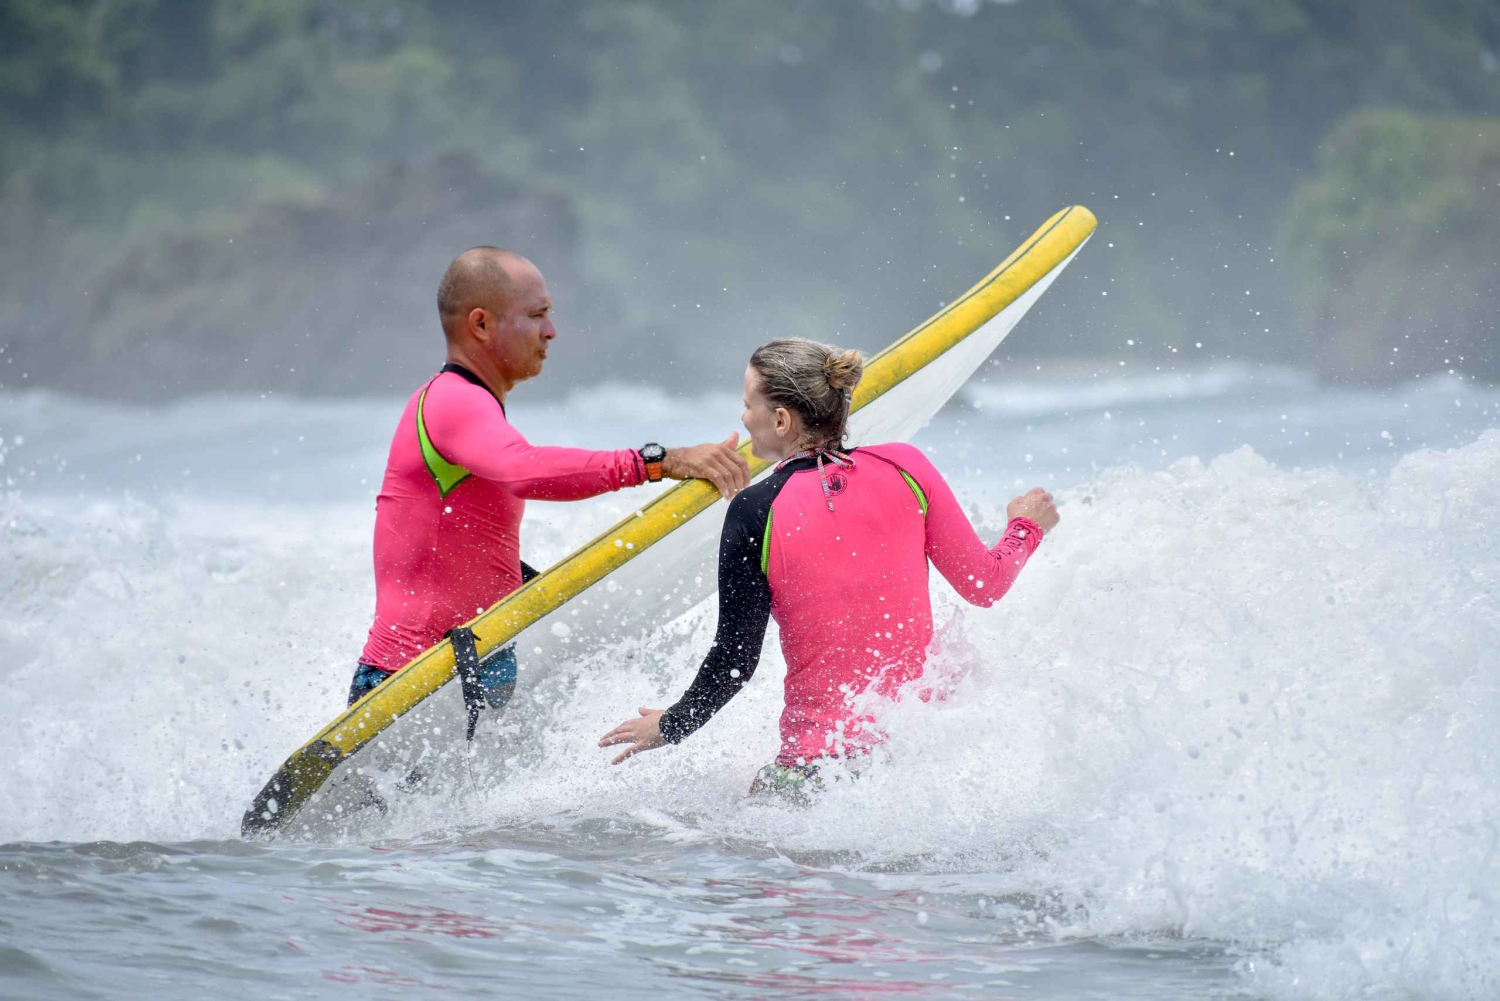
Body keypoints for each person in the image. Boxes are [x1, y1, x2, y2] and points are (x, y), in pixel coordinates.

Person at [598, 338, 1059, 798]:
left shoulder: (756, 509)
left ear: (781, 420)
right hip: (919, 760)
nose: (742, 417)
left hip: (816, 773)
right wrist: (1025, 527)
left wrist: (673, 723)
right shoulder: (907, 466)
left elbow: (736, 660)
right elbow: (985, 583)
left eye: (747, 404)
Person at [348, 247, 750, 706]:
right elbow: (523, 470)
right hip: (412, 683)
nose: (551, 331)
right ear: (480, 324)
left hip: (466, 670)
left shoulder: (468, 405)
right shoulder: (452, 400)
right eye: (537, 315)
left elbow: (459, 550)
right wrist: (659, 461)